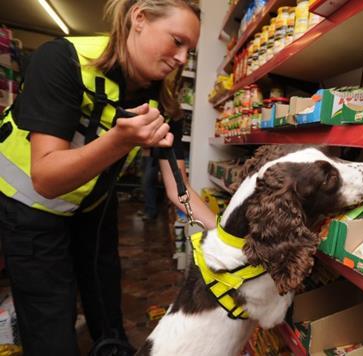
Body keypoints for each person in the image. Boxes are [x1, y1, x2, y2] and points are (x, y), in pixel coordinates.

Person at [0, 0, 215, 355]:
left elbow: (181, 192)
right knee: (51, 321)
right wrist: (119, 140)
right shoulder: (62, 60)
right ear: (140, 18)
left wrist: (230, 235)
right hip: (30, 211)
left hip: (92, 210)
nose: (182, 59)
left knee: (107, 307)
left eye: (189, 50)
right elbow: (46, 177)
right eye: (177, 41)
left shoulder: (163, 100)